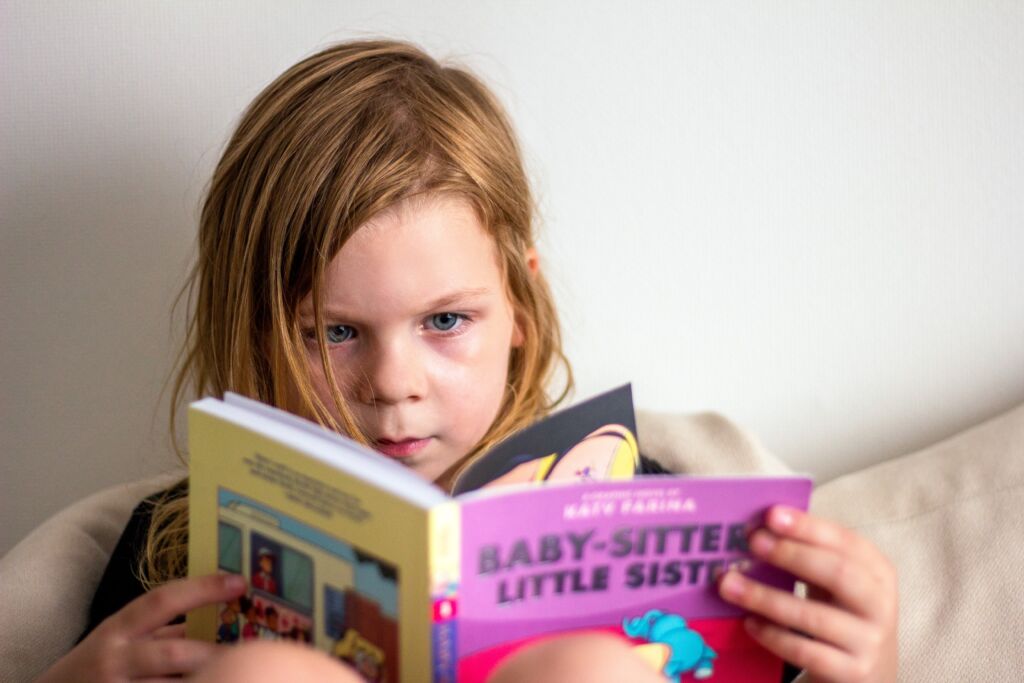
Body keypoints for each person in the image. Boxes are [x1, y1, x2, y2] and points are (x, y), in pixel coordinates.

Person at [36, 39, 897, 682]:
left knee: (588, 671)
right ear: (255, 330)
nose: (393, 384)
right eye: (331, 332)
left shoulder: (631, 491)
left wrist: (868, 663)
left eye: (445, 319)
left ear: (519, 304)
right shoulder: (171, 541)